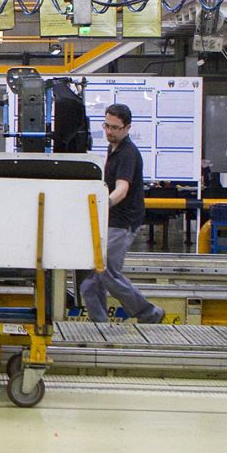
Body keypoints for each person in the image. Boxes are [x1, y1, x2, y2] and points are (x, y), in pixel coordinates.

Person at [80, 103, 165, 325]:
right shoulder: (113, 148)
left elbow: (122, 189)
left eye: (115, 128)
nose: (109, 131)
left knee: (107, 272)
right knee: (89, 286)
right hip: (112, 220)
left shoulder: (128, 153)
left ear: (127, 128)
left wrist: (103, 203)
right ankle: (100, 325)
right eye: (106, 126)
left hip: (123, 222)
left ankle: (149, 313)